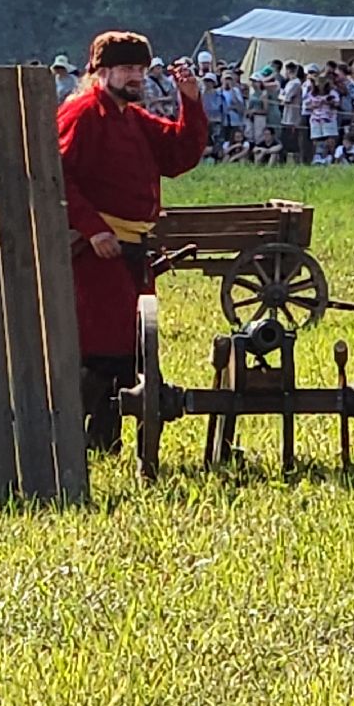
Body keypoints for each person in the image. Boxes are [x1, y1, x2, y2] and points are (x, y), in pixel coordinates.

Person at [57, 30, 207, 452]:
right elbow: (58, 176)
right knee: (103, 346)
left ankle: (105, 440)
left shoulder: (130, 116)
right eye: (127, 69)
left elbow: (178, 156)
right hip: (96, 251)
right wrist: (93, 228)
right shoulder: (83, 113)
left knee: (130, 343)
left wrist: (190, 101)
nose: (136, 77)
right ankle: (90, 441)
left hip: (132, 249)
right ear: (100, 71)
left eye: (140, 69)